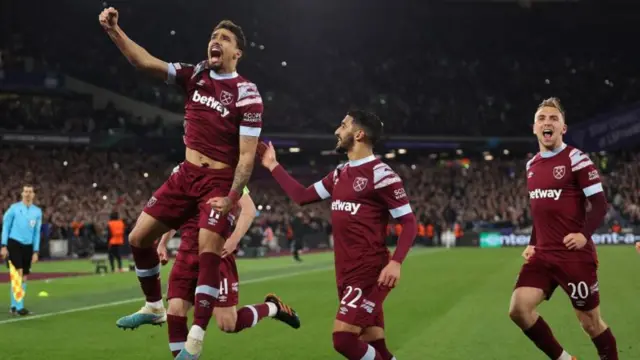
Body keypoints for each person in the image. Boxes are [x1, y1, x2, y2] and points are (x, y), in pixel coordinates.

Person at [99, 7, 263, 338]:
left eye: (225, 38)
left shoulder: (248, 93)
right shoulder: (196, 74)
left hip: (217, 182)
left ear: (237, 53)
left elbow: (246, 158)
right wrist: (114, 31)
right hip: (186, 174)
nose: (216, 41)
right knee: (137, 238)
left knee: (208, 260)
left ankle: (196, 340)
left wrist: (232, 197)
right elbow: (144, 62)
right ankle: (153, 307)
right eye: (213, 37)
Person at [259, 109, 418, 360]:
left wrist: (396, 262)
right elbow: (302, 196)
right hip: (344, 272)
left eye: (343, 126)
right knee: (374, 345)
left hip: (368, 271)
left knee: (343, 339)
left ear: (359, 134)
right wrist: (273, 165)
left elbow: (409, 223)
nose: (337, 130)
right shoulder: (340, 174)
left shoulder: (382, 175)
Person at [508, 98, 618, 360]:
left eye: (553, 118)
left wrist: (583, 235)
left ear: (563, 128)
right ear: (534, 128)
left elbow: (600, 205)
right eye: (542, 119)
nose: (547, 122)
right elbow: (540, 211)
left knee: (590, 323)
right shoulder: (531, 165)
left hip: (573, 256)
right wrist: (534, 242)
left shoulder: (577, 159)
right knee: (518, 309)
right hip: (543, 254)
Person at [156, 186, 300, 359]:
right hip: (187, 254)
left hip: (217, 253)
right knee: (175, 311)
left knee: (228, 324)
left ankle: (273, 307)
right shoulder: (186, 173)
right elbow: (177, 213)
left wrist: (234, 239)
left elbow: (249, 208)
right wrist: (163, 242)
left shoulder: (230, 173)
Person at [1, 184, 42, 316]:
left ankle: (14, 306)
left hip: (28, 246)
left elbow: (37, 232)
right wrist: (3, 245)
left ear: (33, 194)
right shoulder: (14, 208)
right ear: (22, 194)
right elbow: (6, 226)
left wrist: (36, 251)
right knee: (17, 274)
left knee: (23, 277)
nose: (28, 194)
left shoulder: (37, 212)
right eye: (26, 191)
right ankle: (20, 307)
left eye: (30, 191)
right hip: (14, 243)